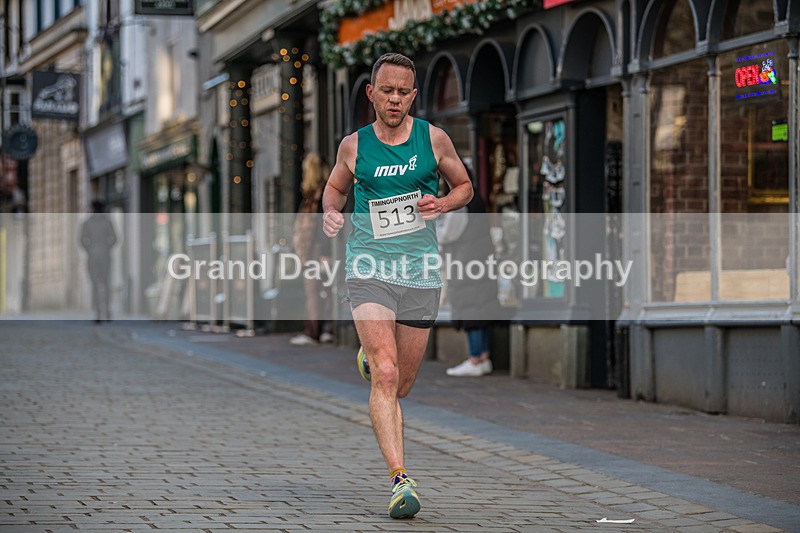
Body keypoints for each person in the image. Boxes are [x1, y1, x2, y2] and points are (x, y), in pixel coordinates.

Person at [322, 52, 472, 519]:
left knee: (402, 383)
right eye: (386, 90)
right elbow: (334, 189)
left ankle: (373, 355)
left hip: (420, 272)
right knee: (385, 376)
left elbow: (464, 186)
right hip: (368, 266)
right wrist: (330, 212)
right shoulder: (354, 146)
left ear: (413, 95)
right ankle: (399, 479)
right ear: (371, 93)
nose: (394, 99)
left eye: (403, 91)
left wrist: (442, 205)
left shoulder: (434, 138)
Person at [437, 174, 500, 377]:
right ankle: (483, 357)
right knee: (479, 304)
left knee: (470, 306)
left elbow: (447, 234)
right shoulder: (476, 197)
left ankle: (474, 358)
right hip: (479, 258)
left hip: (466, 261)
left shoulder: (460, 200)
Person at [290, 152, 334, 346]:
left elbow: (319, 225)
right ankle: (326, 330)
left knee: (314, 290)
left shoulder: (318, 194)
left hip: (315, 248)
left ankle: (314, 332)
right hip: (317, 247)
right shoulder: (323, 191)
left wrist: (324, 251)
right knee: (325, 288)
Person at [80, 200, 117, 323]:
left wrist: (90, 249)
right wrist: (106, 247)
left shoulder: (87, 223)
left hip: (93, 256)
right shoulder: (107, 222)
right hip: (105, 255)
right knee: (106, 284)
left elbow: (81, 240)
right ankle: (107, 310)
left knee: (95, 284)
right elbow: (115, 239)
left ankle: (98, 312)